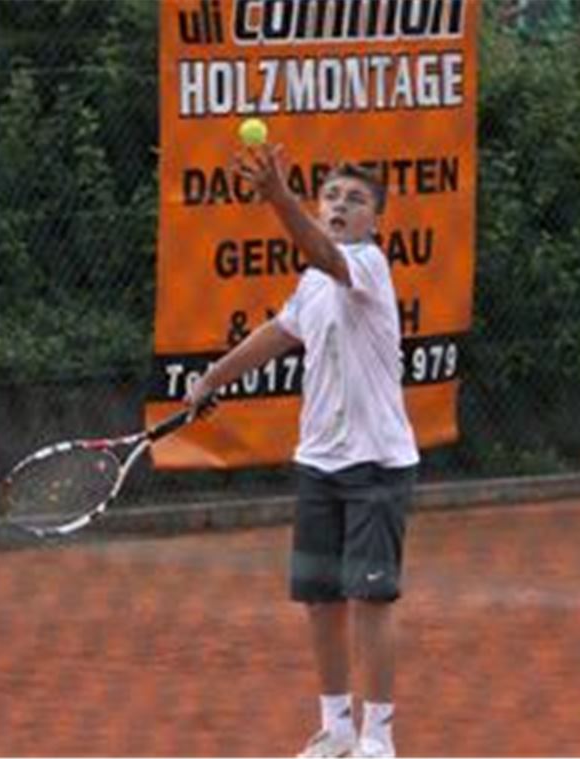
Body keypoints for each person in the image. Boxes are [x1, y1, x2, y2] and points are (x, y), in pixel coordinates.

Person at [185, 144, 419, 759]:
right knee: (320, 597)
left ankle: (379, 736)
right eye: (333, 196)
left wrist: (277, 198)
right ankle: (337, 726)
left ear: (376, 220)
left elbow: (319, 248)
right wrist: (212, 378)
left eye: (356, 200)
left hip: (376, 463)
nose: (341, 205)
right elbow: (277, 334)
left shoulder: (366, 265)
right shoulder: (313, 282)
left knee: (370, 597)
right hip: (319, 460)